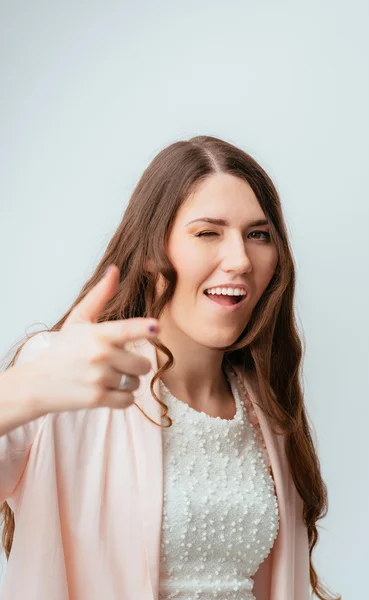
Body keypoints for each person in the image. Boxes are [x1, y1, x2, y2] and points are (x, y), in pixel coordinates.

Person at [0, 135, 340, 600]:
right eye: (208, 232)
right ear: (149, 251)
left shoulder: (266, 410)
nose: (240, 259)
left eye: (258, 234)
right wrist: (27, 389)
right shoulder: (67, 373)